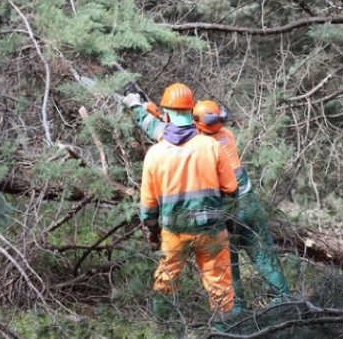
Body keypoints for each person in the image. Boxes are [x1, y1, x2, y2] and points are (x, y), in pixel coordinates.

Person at [124, 93, 291, 312]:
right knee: (262, 252)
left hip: (224, 208)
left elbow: (157, 129)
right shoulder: (226, 135)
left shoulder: (201, 143)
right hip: (248, 203)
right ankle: (286, 301)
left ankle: (236, 313)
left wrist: (137, 107)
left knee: (224, 269)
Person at [137, 83, 239, 326]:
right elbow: (232, 191)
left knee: (166, 279)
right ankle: (225, 331)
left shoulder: (155, 154)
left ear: (167, 113)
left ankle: (161, 328)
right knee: (220, 284)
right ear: (191, 110)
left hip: (174, 232)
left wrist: (153, 233)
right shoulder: (210, 145)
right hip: (211, 229)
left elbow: (148, 207)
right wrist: (226, 221)